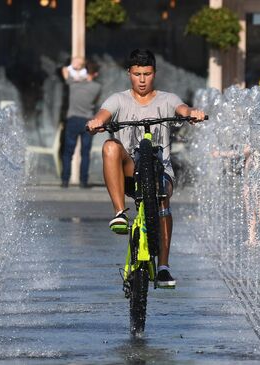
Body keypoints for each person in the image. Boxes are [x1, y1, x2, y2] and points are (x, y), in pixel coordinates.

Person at [86, 49, 205, 288]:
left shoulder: (167, 99)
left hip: (161, 172)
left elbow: (182, 108)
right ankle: (120, 213)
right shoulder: (118, 99)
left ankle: (163, 267)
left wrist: (192, 113)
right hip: (131, 171)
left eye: (147, 74)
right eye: (137, 74)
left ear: (154, 74)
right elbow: (104, 112)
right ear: (129, 73)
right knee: (110, 146)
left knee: (163, 202)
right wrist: (98, 121)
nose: (142, 80)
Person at [60, 60, 102, 188]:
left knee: (68, 152)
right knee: (85, 152)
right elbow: (95, 101)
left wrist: (74, 67)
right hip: (87, 121)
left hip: (73, 119)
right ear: (95, 74)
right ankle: (83, 181)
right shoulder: (97, 87)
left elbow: (64, 70)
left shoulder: (73, 83)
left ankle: (65, 181)